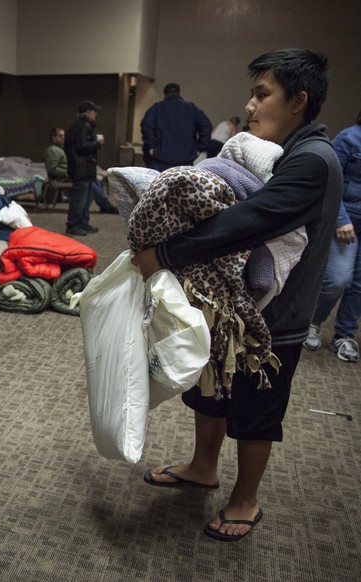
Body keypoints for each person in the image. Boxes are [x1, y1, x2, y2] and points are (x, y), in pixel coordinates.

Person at [133, 49, 341, 542]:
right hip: (235, 306)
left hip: (277, 319)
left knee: (256, 408)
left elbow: (246, 221)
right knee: (213, 390)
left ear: (299, 101)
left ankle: (246, 499)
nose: (250, 106)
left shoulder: (312, 160)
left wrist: (164, 253)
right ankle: (204, 467)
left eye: (262, 94)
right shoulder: (288, 152)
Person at [303, 107, 361, 362]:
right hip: (347, 222)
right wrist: (340, 219)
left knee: (359, 285)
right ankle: (314, 322)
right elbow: (329, 179)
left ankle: (344, 334)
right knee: (337, 280)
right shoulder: (349, 138)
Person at [141, 82, 212, 171]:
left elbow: (147, 125)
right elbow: (206, 125)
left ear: (165, 94)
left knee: (158, 183)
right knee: (183, 184)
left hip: (160, 158)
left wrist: (151, 147)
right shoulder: (191, 108)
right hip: (185, 158)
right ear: (178, 93)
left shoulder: (157, 108)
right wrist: (199, 148)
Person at [46, 127, 118, 214]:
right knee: (89, 183)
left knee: (94, 180)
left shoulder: (62, 148)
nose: (63, 138)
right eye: (60, 136)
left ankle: (104, 205)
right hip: (62, 178)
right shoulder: (52, 150)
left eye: (64, 135)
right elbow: (53, 169)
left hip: (70, 175)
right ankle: (106, 206)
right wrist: (70, 172)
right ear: (54, 137)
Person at [64, 100, 104, 236]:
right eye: (94, 111)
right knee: (80, 199)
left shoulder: (78, 126)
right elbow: (82, 146)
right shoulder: (83, 126)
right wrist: (97, 144)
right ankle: (74, 224)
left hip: (81, 168)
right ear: (88, 113)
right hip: (82, 168)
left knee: (86, 198)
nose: (96, 114)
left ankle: (82, 223)